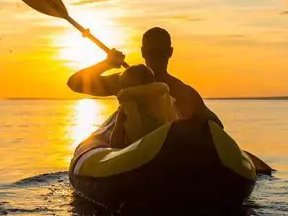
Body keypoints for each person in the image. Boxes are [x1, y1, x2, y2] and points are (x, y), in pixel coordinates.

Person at [67, 27, 223, 127]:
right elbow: (74, 83)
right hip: (132, 153)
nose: (154, 58)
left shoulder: (184, 92)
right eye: (151, 53)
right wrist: (106, 64)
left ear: (169, 52)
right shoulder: (125, 81)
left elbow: (215, 124)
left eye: (158, 52)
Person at [109, 64, 178, 148]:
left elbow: (114, 144)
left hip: (137, 153)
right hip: (166, 148)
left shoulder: (126, 106)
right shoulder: (166, 100)